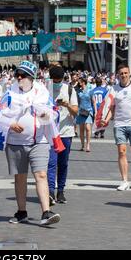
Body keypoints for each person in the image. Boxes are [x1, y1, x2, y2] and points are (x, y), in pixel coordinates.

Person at [0, 61, 62, 226]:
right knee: (20, 178)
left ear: (31, 78)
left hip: (39, 141)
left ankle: (46, 212)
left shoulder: (42, 93)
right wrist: (10, 123)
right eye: (17, 74)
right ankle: (21, 211)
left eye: (23, 75)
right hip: (15, 142)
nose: (19, 77)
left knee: (41, 175)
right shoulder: (9, 93)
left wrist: (45, 114)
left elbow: (54, 112)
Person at [101, 64, 131, 191]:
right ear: (118, 75)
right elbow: (111, 107)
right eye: (121, 73)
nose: (124, 75)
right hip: (119, 124)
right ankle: (124, 180)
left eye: (126, 73)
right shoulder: (113, 89)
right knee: (122, 152)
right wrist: (106, 120)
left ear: (129, 73)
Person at [47, 66, 78, 205]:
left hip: (66, 132)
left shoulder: (69, 89)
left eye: (59, 80)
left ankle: (61, 191)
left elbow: (76, 111)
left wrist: (66, 105)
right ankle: (50, 192)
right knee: (51, 163)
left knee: (63, 163)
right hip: (50, 132)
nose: (57, 83)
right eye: (55, 80)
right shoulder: (45, 89)